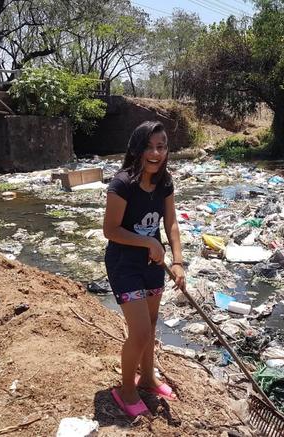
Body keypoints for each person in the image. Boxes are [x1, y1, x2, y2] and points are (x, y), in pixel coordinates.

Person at [103, 120, 186, 417]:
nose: (155, 153)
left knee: (150, 327)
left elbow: (171, 223)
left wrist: (177, 261)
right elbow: (110, 230)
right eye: (149, 147)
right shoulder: (122, 184)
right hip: (124, 263)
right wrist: (147, 242)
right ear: (137, 149)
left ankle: (148, 378)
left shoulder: (165, 182)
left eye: (161, 146)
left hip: (154, 263)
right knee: (138, 332)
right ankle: (125, 390)